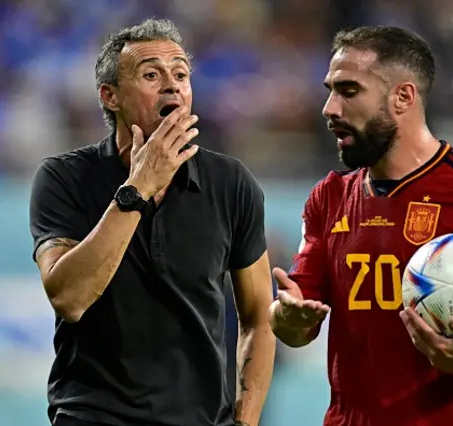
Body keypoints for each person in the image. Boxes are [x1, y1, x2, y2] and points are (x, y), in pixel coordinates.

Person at [268, 26, 453, 426]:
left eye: (349, 91)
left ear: (403, 97)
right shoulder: (330, 197)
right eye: (330, 90)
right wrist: (285, 319)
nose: (330, 108)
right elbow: (297, 316)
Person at [29, 19, 275, 426]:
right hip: (93, 416)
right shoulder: (64, 178)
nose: (172, 85)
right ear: (111, 96)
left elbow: (258, 317)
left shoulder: (231, 184)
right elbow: (69, 298)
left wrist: (245, 422)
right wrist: (138, 188)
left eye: (180, 74)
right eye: (150, 74)